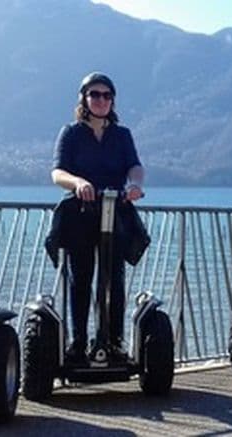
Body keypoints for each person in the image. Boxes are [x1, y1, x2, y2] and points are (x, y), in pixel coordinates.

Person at [50, 72, 144, 364]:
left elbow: (134, 166)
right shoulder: (71, 132)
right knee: (81, 278)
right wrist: (78, 182)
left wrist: (135, 185)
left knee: (114, 278)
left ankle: (113, 341)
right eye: (94, 94)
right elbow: (57, 172)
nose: (101, 100)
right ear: (84, 99)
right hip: (81, 212)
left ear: (112, 100)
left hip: (114, 211)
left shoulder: (122, 134)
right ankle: (78, 343)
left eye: (106, 95)